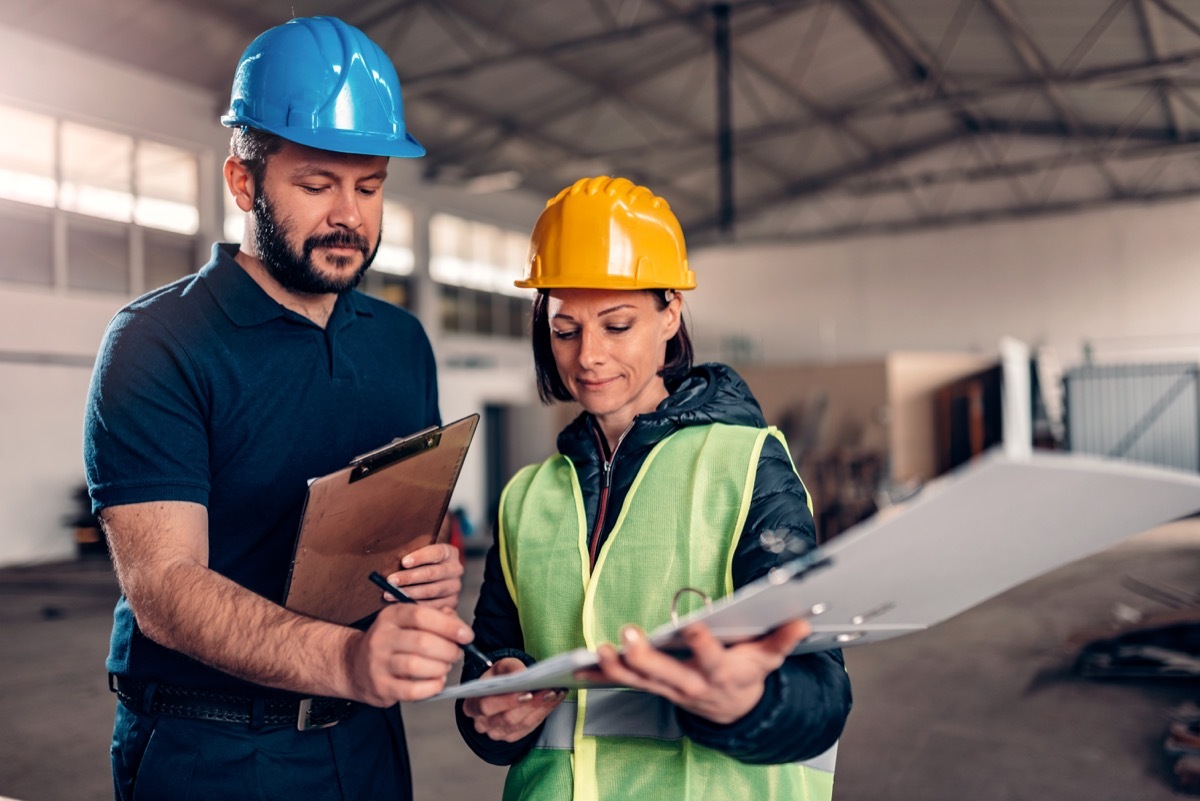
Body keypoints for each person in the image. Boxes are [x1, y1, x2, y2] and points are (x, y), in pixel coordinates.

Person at [83, 16, 476, 801]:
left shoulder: (400, 341)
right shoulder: (159, 342)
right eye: (316, 184)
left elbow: (410, 523)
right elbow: (163, 583)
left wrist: (434, 563)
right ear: (243, 182)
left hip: (365, 740)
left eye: (368, 187)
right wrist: (346, 661)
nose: (350, 216)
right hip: (213, 747)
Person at [456, 176, 853, 800]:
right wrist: (496, 715)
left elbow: (820, 690)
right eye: (565, 328)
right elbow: (484, 678)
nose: (588, 356)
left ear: (671, 315)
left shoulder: (746, 463)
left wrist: (747, 701)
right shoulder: (525, 499)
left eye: (616, 325)